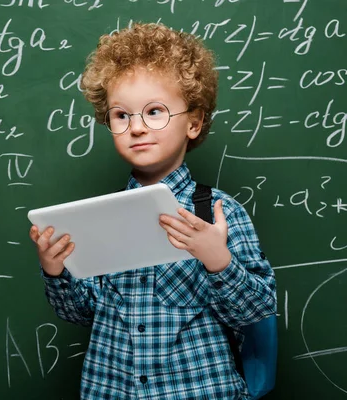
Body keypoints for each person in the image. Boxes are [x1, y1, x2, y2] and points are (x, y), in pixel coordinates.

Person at [29, 22, 277, 399]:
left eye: (155, 111)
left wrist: (218, 260)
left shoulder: (218, 212)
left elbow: (258, 310)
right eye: (121, 115)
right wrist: (55, 270)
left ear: (193, 122)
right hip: (110, 389)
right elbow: (83, 313)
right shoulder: (100, 218)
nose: (137, 128)